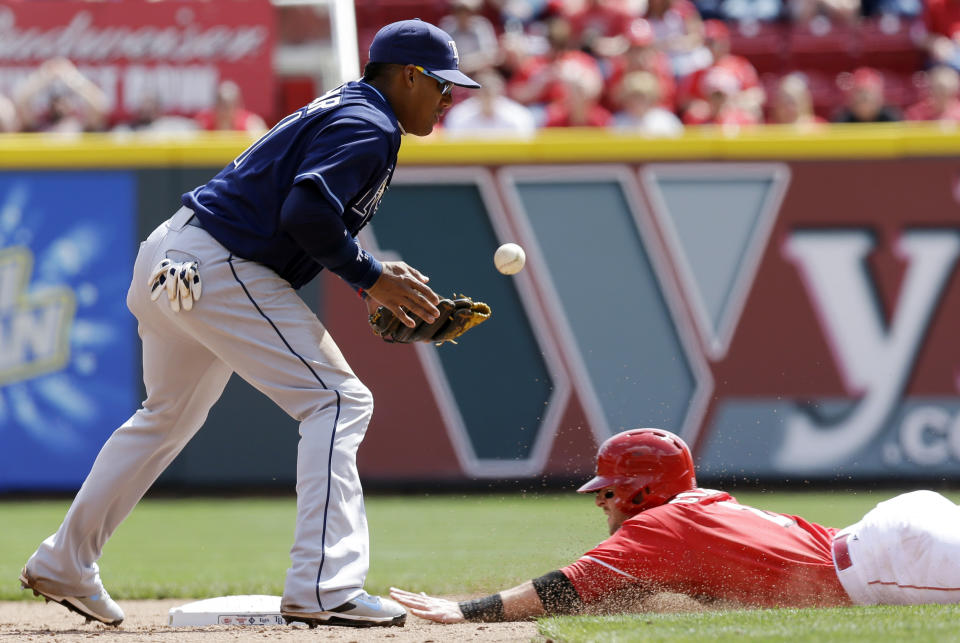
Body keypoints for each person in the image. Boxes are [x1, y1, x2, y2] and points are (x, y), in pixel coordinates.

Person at [18, 18, 480, 630]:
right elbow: (305, 212)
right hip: (221, 263)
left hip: (171, 253)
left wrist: (371, 272)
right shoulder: (370, 123)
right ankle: (324, 587)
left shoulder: (347, 107)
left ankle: (65, 561)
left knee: (165, 416)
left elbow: (307, 212)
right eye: (443, 86)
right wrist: (368, 277)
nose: (450, 99)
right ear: (409, 75)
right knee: (339, 401)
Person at [391, 427, 960, 622]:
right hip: (892, 538)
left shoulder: (659, 527)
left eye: (609, 490)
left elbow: (564, 588)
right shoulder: (699, 508)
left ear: (640, 489)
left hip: (892, 564)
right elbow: (618, 593)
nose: (602, 503)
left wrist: (466, 610)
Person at [13, 57, 108, 133]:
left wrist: (72, 77)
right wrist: (44, 75)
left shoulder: (82, 126)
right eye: (56, 101)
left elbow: (99, 104)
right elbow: (21, 100)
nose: (60, 106)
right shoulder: (40, 125)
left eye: (64, 101)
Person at [443, 68, 537, 137]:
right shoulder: (460, 115)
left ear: (500, 92)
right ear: (475, 94)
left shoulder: (517, 116)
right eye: (484, 93)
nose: (487, 98)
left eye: (491, 93)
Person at [611, 71, 684, 136]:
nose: (637, 102)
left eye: (642, 97)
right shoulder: (618, 122)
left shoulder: (666, 121)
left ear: (652, 98)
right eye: (633, 97)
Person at [193, 80, 268, 135]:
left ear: (238, 106)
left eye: (229, 106)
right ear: (215, 105)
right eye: (222, 104)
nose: (225, 111)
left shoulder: (250, 124)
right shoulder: (203, 123)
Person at [832, 67, 902, 123]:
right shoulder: (842, 120)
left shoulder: (892, 119)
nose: (864, 100)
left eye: (869, 97)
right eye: (860, 96)